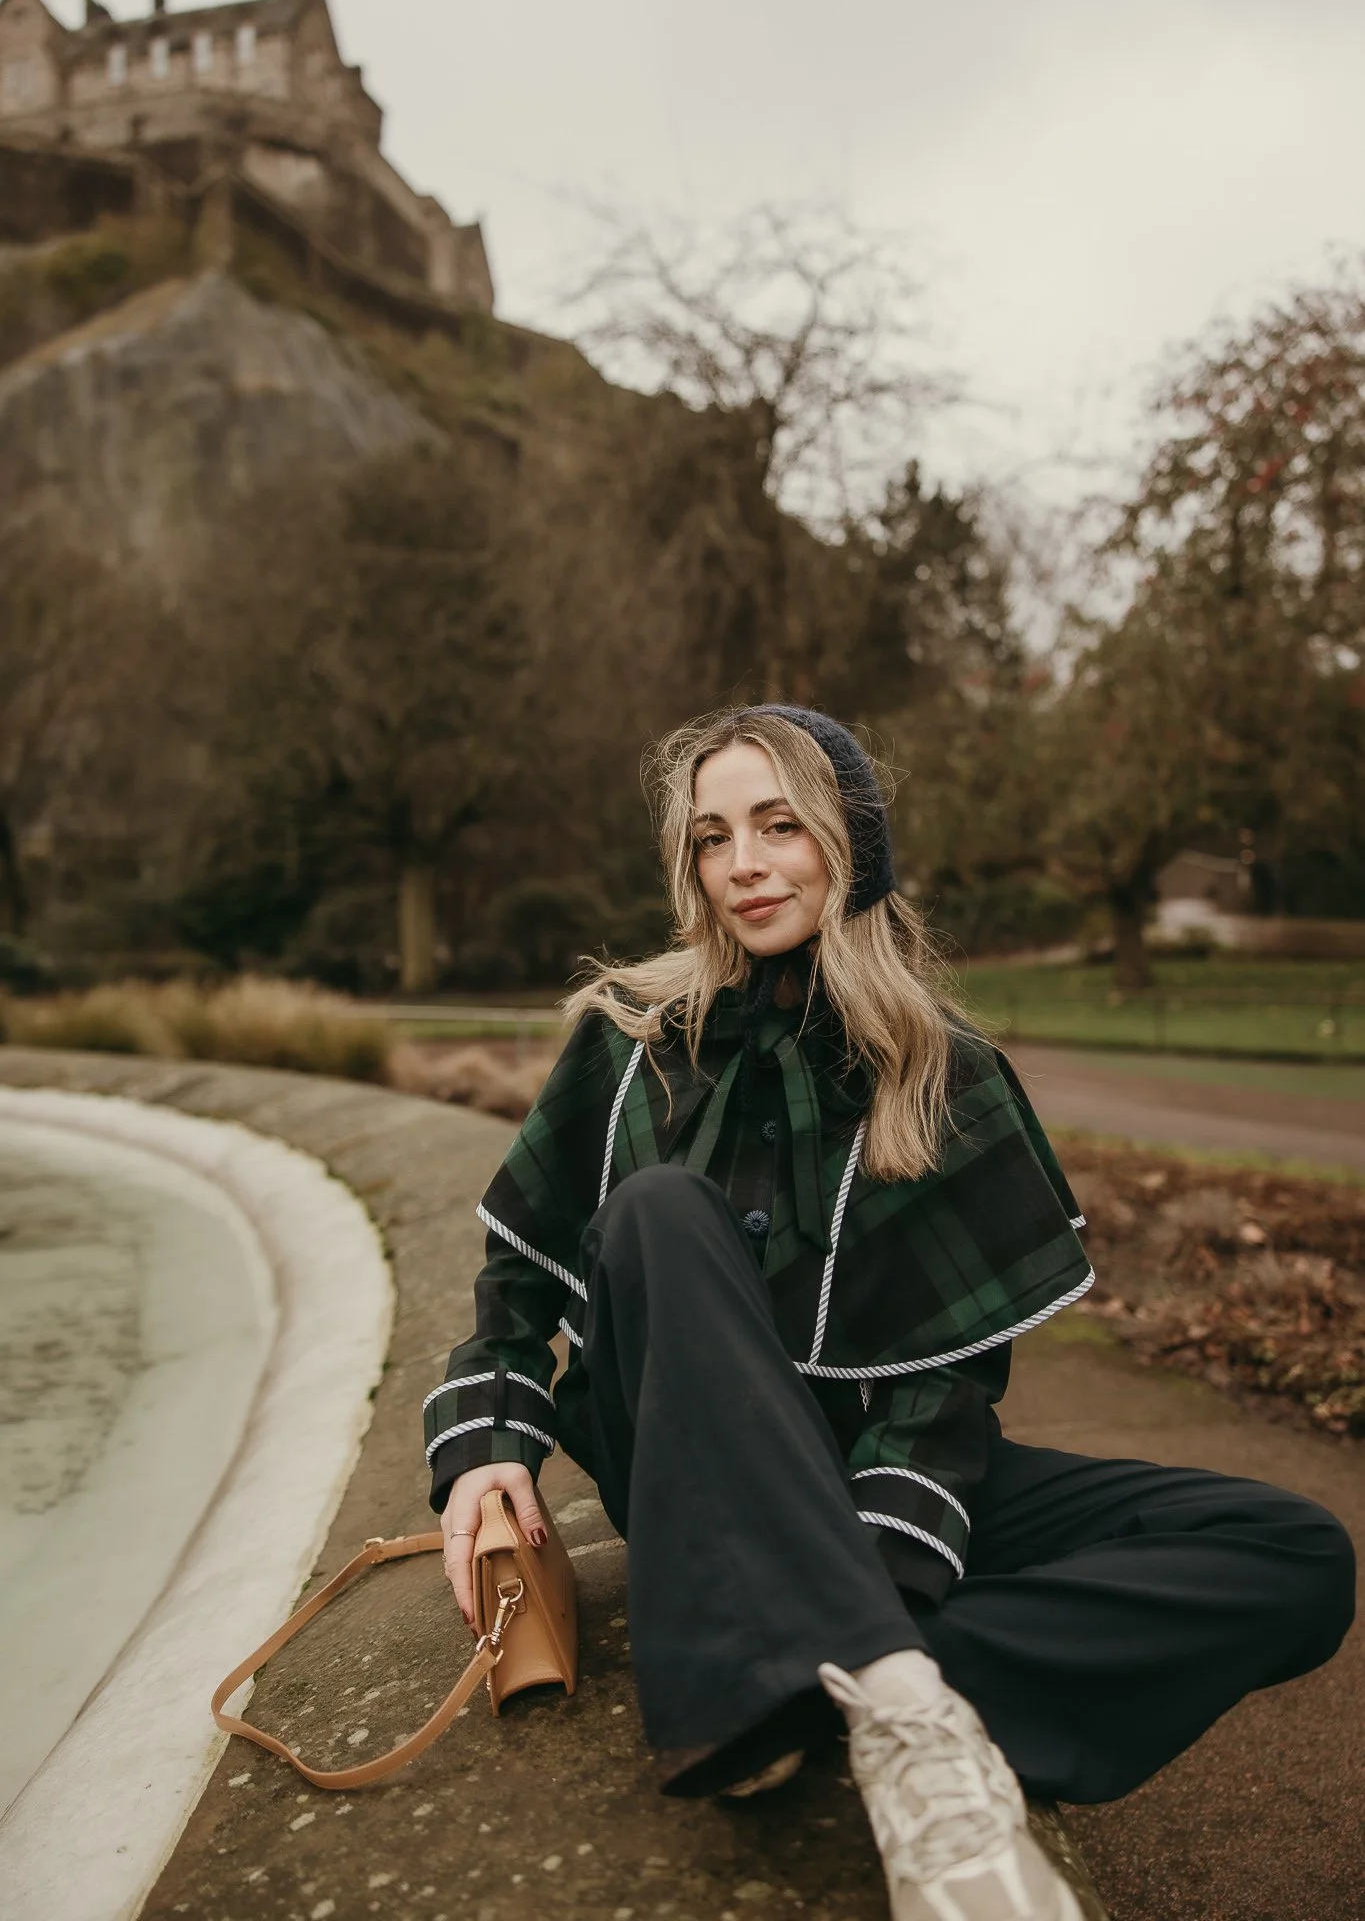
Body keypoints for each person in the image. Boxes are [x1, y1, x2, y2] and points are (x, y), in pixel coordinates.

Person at [424, 705, 1355, 1921]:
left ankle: (840, 1690)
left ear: (848, 842)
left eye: (777, 825)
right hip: (697, 1465)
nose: (744, 862)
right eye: (713, 837)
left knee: (1294, 1553)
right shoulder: (629, 1045)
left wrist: (880, 1572)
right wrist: (487, 1444)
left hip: (882, 1467)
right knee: (657, 1208)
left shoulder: (945, 1071)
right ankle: (891, 1700)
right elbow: (518, 1284)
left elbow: (944, 1390)